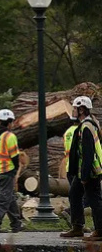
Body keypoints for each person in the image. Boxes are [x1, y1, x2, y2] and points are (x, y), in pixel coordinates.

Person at [62, 96, 102, 240]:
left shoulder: (86, 127)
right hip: (83, 171)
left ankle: (100, 230)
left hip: (90, 171)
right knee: (74, 194)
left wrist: (85, 176)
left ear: (81, 109)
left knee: (94, 199)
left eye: (74, 108)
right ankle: (77, 227)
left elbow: (88, 154)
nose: (72, 110)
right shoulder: (85, 125)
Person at [0, 108, 25, 233]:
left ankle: (16, 223)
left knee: (9, 197)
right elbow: (14, 156)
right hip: (7, 170)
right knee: (3, 199)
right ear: (9, 122)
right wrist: (15, 171)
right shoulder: (10, 136)